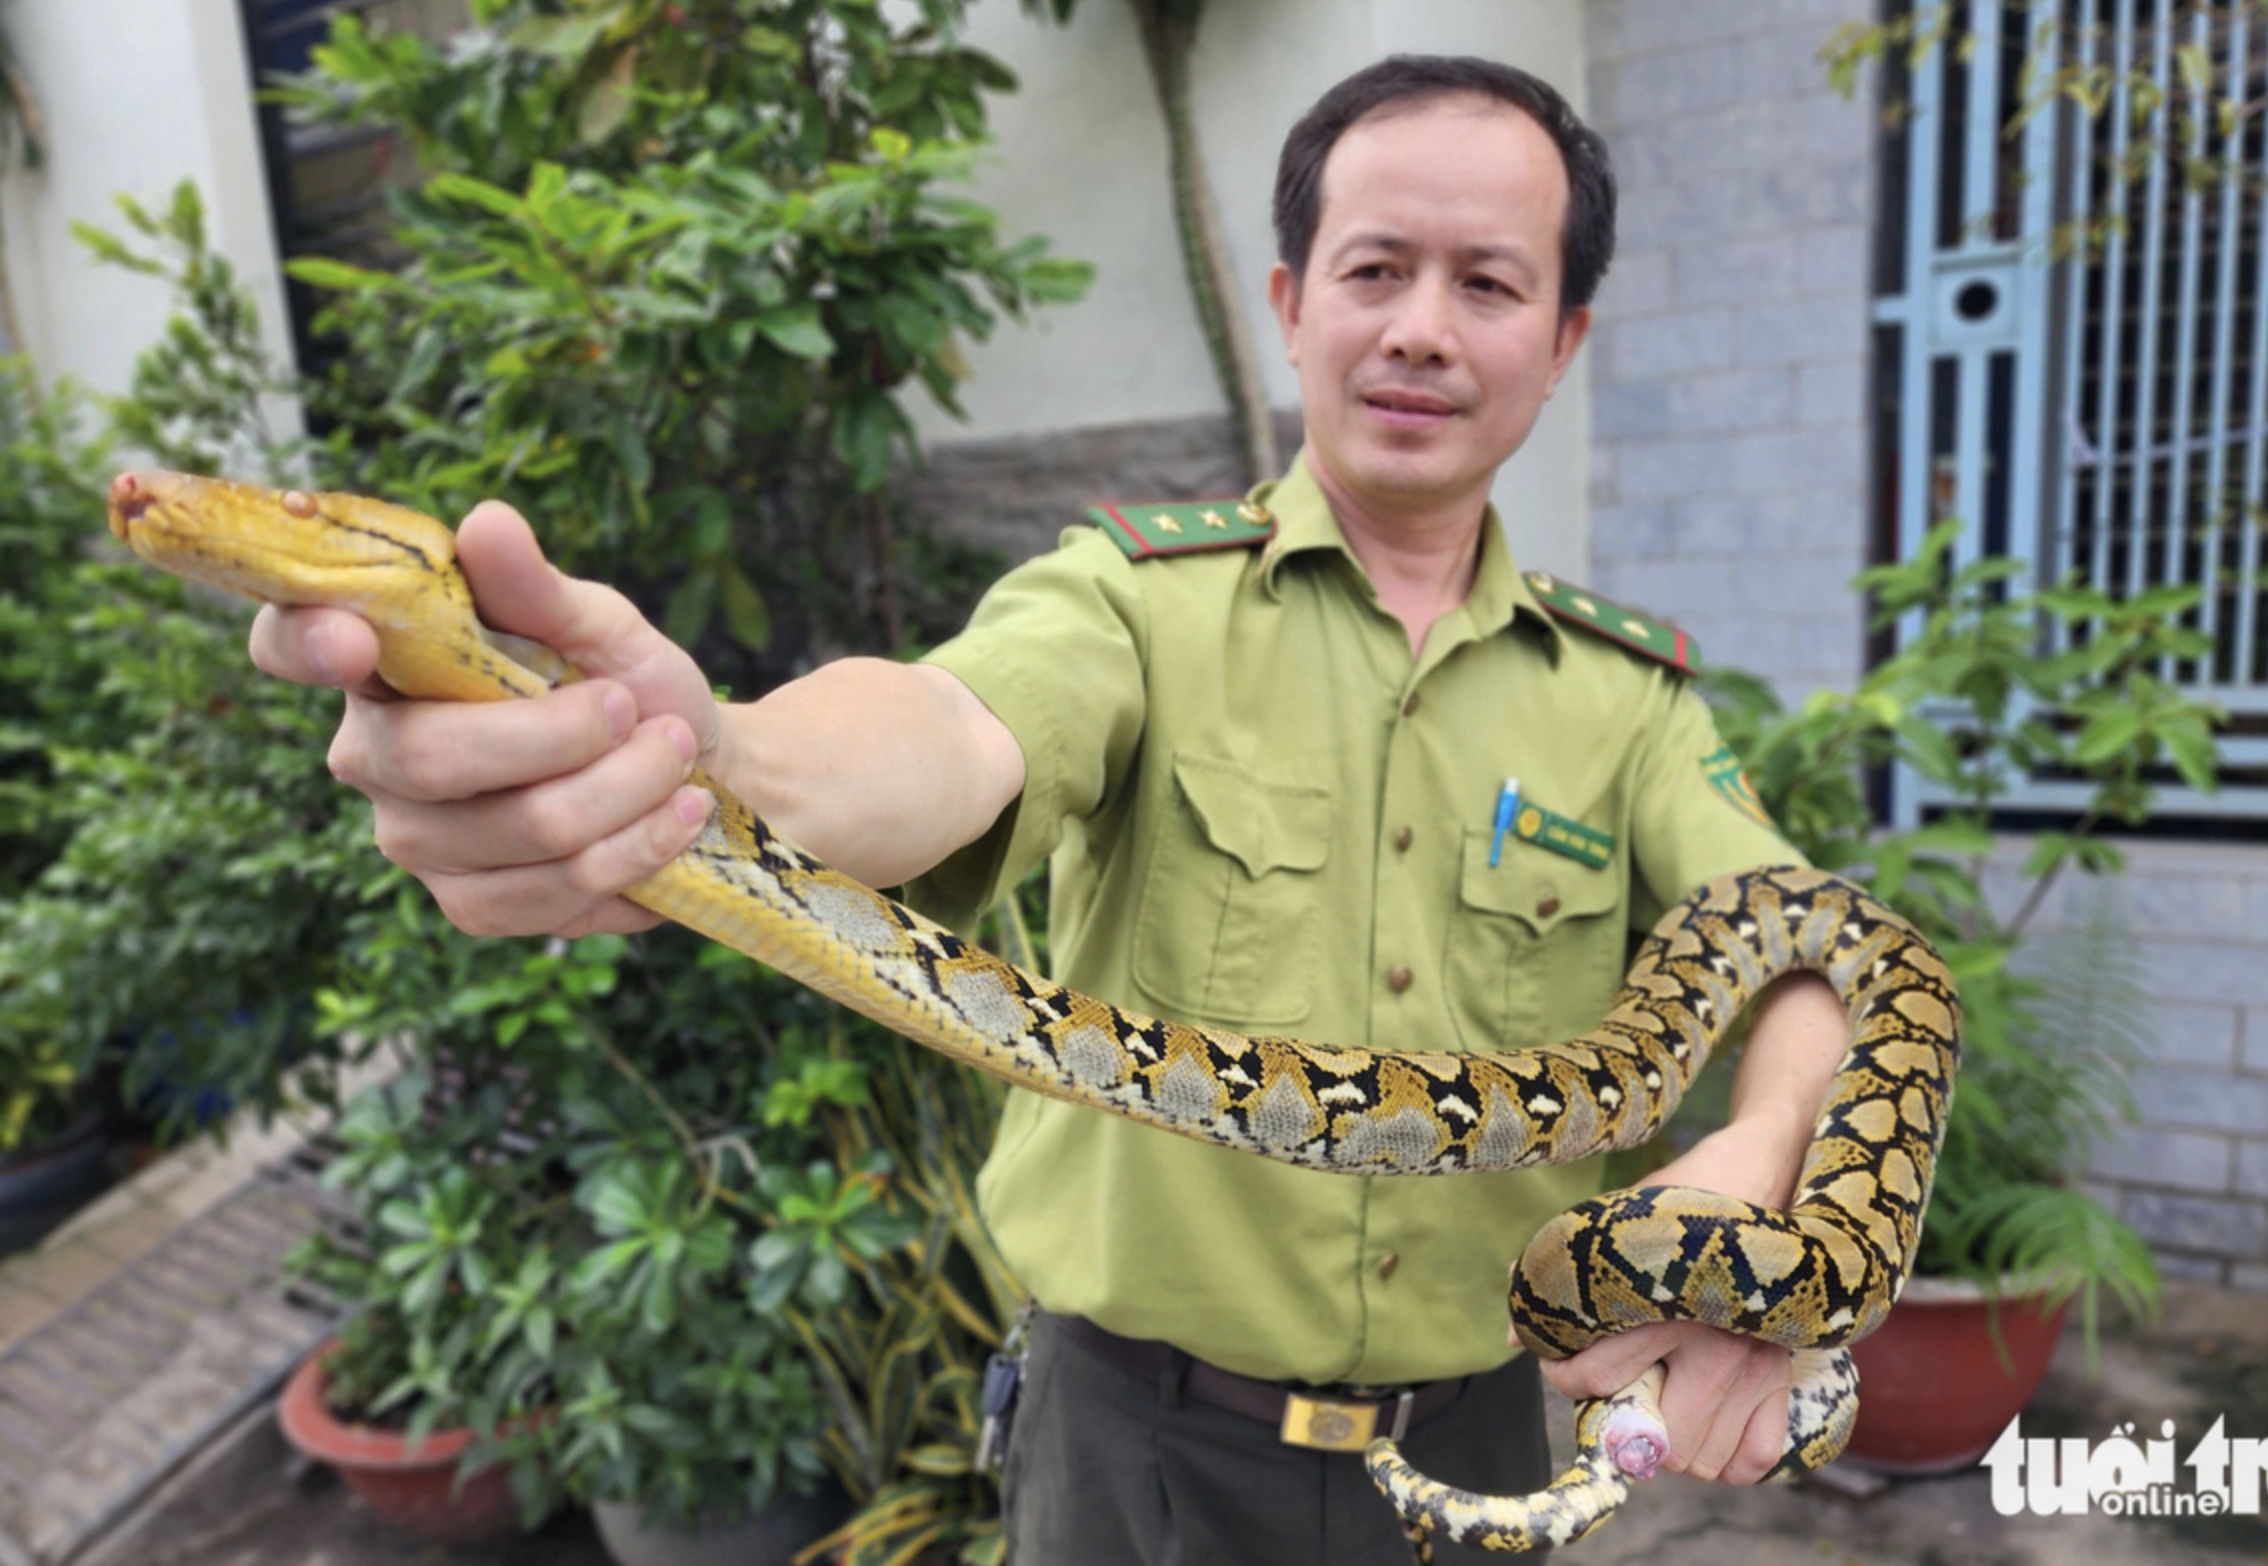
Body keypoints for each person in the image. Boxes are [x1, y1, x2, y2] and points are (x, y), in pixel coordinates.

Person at [252, 54, 1850, 1566]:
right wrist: (715, 759)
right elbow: (943, 730)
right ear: (1290, 306)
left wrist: (1760, 1142)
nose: (1421, 328)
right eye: (1373, 270)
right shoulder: (1131, 601)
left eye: (1487, 282)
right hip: (1135, 1454)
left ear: (1561, 339)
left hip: (1485, 1449)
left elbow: (1804, 954)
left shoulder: (1626, 699)